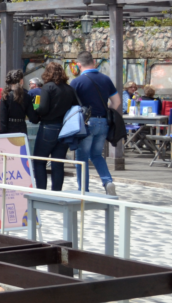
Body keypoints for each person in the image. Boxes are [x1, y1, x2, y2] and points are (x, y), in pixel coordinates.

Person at [70, 51, 120, 195]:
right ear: (94, 62)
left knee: (82, 157)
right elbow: (116, 102)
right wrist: (105, 113)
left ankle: (83, 190)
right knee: (97, 155)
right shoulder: (106, 79)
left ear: (79, 65)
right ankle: (107, 181)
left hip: (85, 124)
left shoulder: (77, 82)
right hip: (103, 122)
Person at [33, 62, 80, 191]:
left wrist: (35, 112)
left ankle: (41, 191)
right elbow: (76, 107)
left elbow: (43, 108)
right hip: (65, 128)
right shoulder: (70, 89)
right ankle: (56, 193)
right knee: (58, 163)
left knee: (39, 161)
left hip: (48, 127)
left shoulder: (48, 87)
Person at [1, 69, 37, 136]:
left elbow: (2, 119)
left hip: (9, 129)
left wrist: (2, 134)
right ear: (21, 81)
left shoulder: (5, 96)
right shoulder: (26, 96)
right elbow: (33, 118)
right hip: (22, 129)